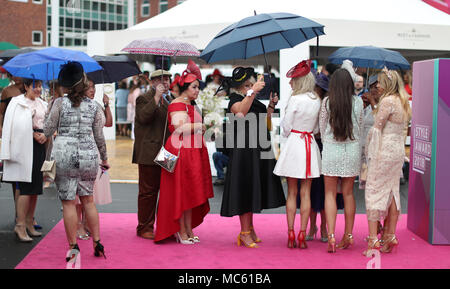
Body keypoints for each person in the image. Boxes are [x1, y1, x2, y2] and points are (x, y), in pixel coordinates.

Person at [43, 61, 108, 261]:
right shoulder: (95, 106)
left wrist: (48, 112)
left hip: (64, 153)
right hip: (88, 154)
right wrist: (104, 158)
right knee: (88, 200)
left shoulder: (59, 104)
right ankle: (97, 242)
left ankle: (73, 247)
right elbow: (99, 136)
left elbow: (46, 131)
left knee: (69, 203)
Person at [220, 67, 285, 248]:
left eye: (252, 84)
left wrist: (271, 105)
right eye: (247, 85)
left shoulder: (252, 99)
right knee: (245, 189)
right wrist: (253, 91)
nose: (252, 87)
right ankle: (244, 232)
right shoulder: (235, 99)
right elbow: (241, 113)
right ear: (240, 88)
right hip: (243, 151)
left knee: (255, 188)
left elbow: (265, 120)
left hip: (258, 149)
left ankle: (250, 228)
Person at [154, 60, 214, 244]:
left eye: (198, 87)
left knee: (189, 192)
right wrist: (201, 125)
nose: (197, 90)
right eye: (194, 87)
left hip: (192, 151)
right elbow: (179, 128)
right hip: (181, 152)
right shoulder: (178, 104)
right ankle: (181, 231)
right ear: (185, 87)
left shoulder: (189, 104)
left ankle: (187, 229)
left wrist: (201, 128)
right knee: (182, 192)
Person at [273, 60, 321, 249]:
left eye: (293, 80)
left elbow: (286, 128)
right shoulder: (316, 100)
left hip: (295, 144)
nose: (290, 83)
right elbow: (316, 128)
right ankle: (303, 233)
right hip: (309, 144)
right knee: (306, 193)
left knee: (291, 193)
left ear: (299, 81)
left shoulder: (294, 99)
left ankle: (291, 233)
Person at [363, 68, 411, 256]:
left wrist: (368, 150)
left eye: (381, 83)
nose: (378, 86)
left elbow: (376, 129)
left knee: (373, 192)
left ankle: (373, 240)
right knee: (392, 193)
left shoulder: (388, 101)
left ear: (389, 84)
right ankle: (390, 235)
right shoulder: (403, 101)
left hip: (382, 152)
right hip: (397, 153)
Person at [319, 67, 364, 253]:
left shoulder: (327, 102)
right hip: (351, 149)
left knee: (329, 194)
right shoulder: (358, 102)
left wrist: (328, 141)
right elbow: (360, 126)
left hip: (331, 148)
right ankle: (348, 235)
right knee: (348, 194)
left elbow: (321, 129)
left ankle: (330, 236)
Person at [1, 78, 47, 242]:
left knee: (35, 187)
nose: (39, 89)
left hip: (39, 147)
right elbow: (12, 127)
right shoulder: (17, 102)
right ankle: (19, 224)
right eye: (35, 86)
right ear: (26, 87)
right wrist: (31, 132)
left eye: (41, 86)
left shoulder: (43, 103)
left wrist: (45, 134)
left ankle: (29, 221)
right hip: (23, 149)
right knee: (25, 188)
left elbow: (47, 123)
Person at [132, 68, 173, 240]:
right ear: (153, 82)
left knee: (167, 191)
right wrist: (156, 97)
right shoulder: (144, 98)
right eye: (161, 80)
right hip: (149, 152)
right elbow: (144, 117)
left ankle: (165, 226)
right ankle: (144, 227)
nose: (165, 83)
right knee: (148, 193)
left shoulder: (170, 100)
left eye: (168, 80)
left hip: (167, 152)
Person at [75, 77, 113, 240]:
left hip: (96, 150)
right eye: (89, 87)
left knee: (90, 190)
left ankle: (85, 223)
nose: (93, 90)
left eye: (94, 87)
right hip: (81, 149)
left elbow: (108, 123)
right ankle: (77, 225)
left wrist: (106, 104)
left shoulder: (96, 105)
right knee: (79, 191)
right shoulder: (77, 106)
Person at [0, 74, 25, 222]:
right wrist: (1, 127)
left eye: (18, 73)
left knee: (28, 177)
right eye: (13, 74)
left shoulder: (31, 89)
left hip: (28, 134)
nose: (16, 76)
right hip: (12, 135)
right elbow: (1, 112)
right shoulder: (7, 91)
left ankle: (27, 216)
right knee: (15, 175)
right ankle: (18, 214)